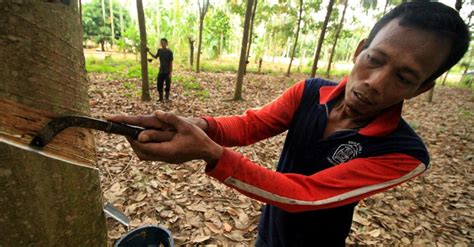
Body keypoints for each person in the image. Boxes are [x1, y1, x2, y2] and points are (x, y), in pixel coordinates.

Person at [109, 2, 469, 246]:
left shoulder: (404, 154)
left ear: (422, 88)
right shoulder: (311, 92)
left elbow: (305, 195)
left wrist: (209, 153)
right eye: (375, 59)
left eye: (404, 78)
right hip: (270, 229)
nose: (375, 82)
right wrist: (195, 123)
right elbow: (251, 125)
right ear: (360, 49)